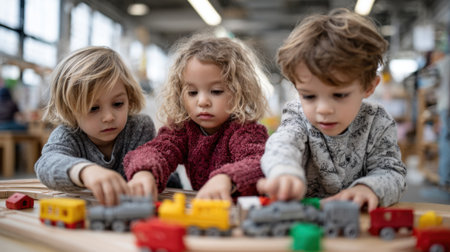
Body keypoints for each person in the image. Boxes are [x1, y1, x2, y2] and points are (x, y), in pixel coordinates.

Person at [257, 8, 407, 211]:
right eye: (309, 96)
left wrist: (367, 188)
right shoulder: (297, 116)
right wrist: (284, 172)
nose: (324, 109)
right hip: (307, 218)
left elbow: (392, 171)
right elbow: (283, 146)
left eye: (339, 95)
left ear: (369, 86)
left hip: (357, 221)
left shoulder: (377, 121)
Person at [124, 34, 269, 201]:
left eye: (216, 91)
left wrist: (227, 178)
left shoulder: (245, 130)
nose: (202, 102)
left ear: (240, 92)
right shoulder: (183, 129)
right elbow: (157, 150)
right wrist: (145, 172)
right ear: (180, 94)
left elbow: (259, 161)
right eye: (192, 92)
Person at [35, 46, 156, 206]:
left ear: (130, 97)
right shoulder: (68, 134)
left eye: (118, 104)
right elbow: (46, 164)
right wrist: (85, 171)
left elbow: (148, 158)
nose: (108, 117)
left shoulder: (139, 127)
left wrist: (144, 173)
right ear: (70, 110)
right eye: (93, 108)